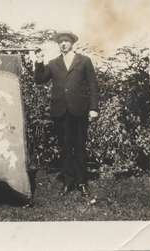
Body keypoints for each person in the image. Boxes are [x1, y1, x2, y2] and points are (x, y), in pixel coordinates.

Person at [33, 31, 99, 198]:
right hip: (60, 112)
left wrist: (94, 108)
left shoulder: (84, 61)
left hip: (79, 111)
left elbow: (93, 86)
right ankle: (69, 182)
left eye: (66, 41)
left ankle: (82, 183)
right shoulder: (53, 63)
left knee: (80, 147)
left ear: (72, 43)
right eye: (60, 42)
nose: (63, 44)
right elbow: (40, 79)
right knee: (65, 148)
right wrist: (39, 63)